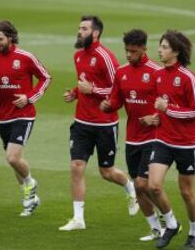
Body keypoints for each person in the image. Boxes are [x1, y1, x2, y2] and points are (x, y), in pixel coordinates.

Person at [59, 15, 138, 231]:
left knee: (107, 172)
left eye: (84, 28)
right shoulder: (77, 56)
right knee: (76, 167)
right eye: (79, 28)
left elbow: (117, 89)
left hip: (104, 124)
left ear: (95, 33)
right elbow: (84, 83)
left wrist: (91, 90)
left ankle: (130, 187)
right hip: (81, 123)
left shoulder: (105, 57)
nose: (79, 31)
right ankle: (78, 219)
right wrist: (75, 93)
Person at [0, 20, 51, 217]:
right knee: (14, 161)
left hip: (24, 115)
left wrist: (29, 98)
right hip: (3, 117)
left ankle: (30, 183)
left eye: (0, 39)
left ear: (10, 37)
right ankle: (30, 198)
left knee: (12, 157)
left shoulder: (25, 57)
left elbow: (46, 77)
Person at [100, 29, 166, 241]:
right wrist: (108, 106)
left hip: (154, 137)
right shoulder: (121, 72)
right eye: (127, 51)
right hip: (132, 138)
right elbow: (116, 100)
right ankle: (156, 228)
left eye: (134, 51)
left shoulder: (157, 72)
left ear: (144, 49)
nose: (129, 55)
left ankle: (169, 220)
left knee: (141, 184)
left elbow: (167, 104)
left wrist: (155, 116)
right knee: (139, 189)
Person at [148, 30, 195, 250]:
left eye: (164, 47)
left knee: (186, 192)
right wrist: (155, 117)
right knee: (153, 186)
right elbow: (161, 106)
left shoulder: (188, 77)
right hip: (162, 140)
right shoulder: (158, 75)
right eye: (160, 46)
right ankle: (171, 224)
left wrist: (169, 110)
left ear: (176, 52)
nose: (159, 50)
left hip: (186, 143)